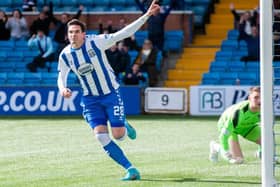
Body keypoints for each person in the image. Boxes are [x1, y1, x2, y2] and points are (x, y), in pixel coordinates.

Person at [57, 0, 159, 180]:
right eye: (70, 32)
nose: (73, 35)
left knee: (119, 136)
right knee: (101, 137)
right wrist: (62, 88)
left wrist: (147, 15)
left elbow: (124, 33)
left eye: (76, 32)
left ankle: (124, 125)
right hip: (90, 100)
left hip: (110, 94)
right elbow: (61, 75)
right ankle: (130, 169)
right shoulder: (65, 55)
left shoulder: (96, 42)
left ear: (83, 34)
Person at [209, 86, 261, 164]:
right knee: (238, 160)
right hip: (230, 127)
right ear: (249, 98)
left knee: (268, 139)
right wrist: (225, 151)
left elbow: (267, 133)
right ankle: (215, 146)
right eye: (256, 97)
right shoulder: (238, 113)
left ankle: (260, 154)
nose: (259, 100)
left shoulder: (265, 110)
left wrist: (262, 151)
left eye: (261, 97)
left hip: (247, 126)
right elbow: (223, 136)